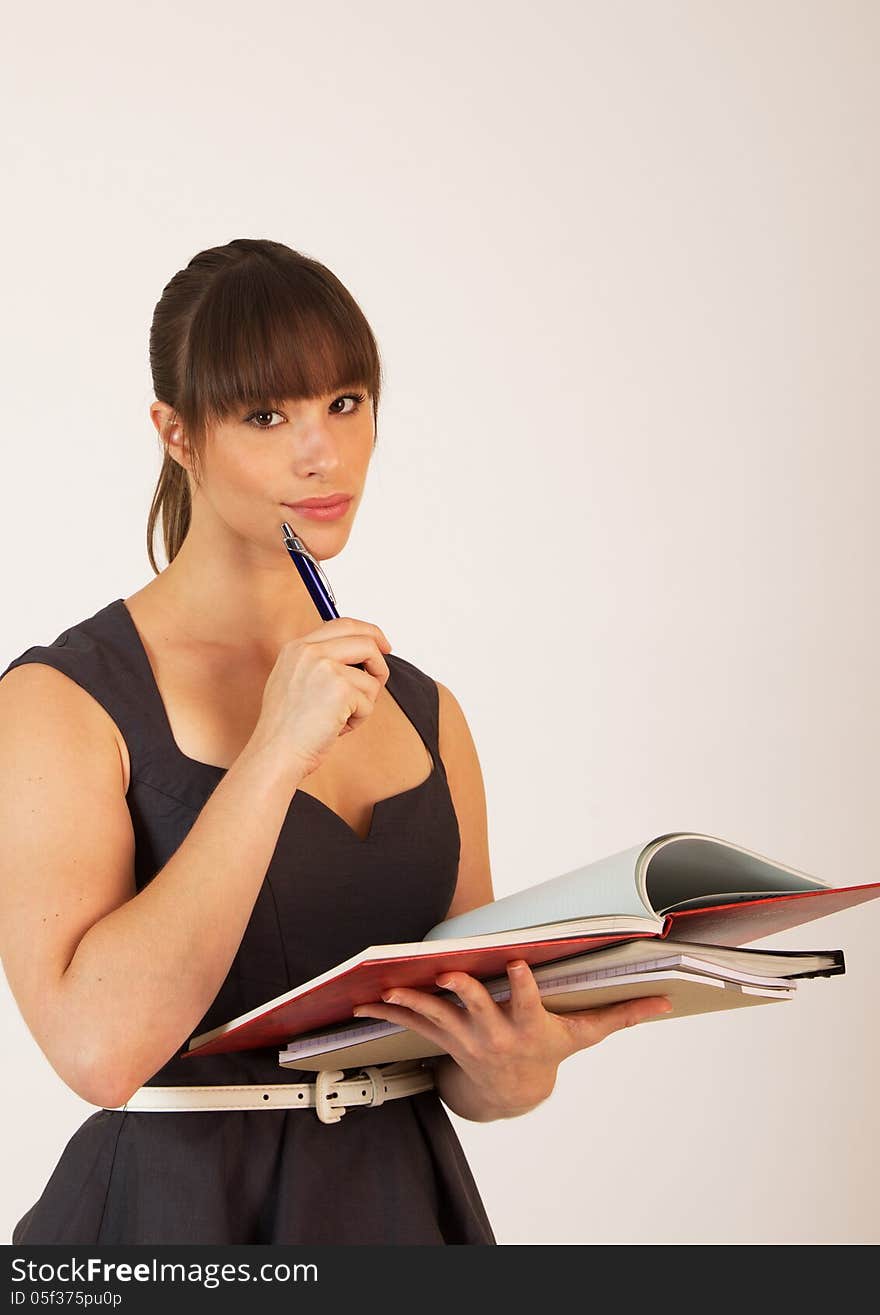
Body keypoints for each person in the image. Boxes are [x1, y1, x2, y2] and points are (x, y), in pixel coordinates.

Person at [0, 238, 671, 1245]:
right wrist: (274, 750)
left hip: (405, 1212)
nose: (323, 454)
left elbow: (460, 1060)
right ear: (176, 434)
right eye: (266, 416)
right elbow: (97, 1051)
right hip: (173, 1226)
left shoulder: (429, 710)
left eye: (345, 403)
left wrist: (512, 1068)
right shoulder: (60, 699)